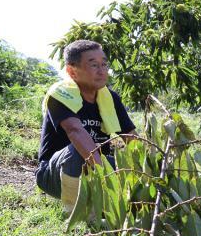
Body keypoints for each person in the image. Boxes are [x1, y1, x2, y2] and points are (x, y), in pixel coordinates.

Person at [36, 39, 137, 213]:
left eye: (104, 64)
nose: (102, 70)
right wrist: (106, 176)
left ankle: (114, 206)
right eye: (94, 65)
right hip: (54, 174)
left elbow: (132, 138)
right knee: (80, 151)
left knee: (131, 167)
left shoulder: (110, 98)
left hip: (96, 172)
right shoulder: (60, 95)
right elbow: (75, 132)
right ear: (72, 71)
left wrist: (148, 167)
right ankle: (76, 211)